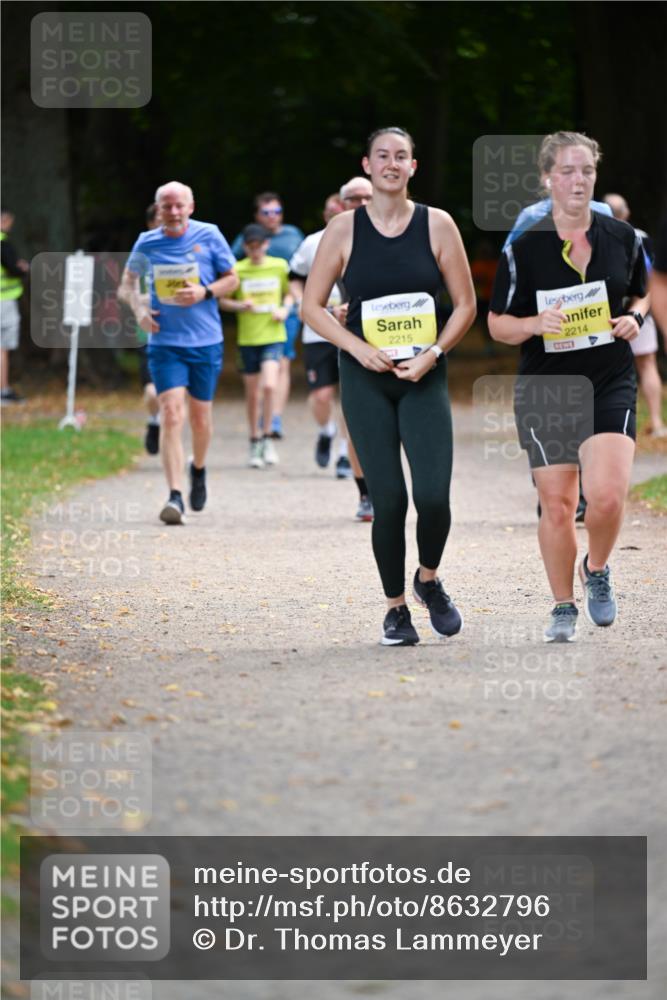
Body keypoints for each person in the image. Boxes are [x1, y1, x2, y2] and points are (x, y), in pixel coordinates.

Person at [303, 126, 476, 645]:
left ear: (413, 167)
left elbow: (466, 305)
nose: (392, 164)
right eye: (383, 156)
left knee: (434, 496)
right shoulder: (343, 228)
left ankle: (427, 579)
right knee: (390, 499)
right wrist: (357, 349)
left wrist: (434, 354)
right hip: (366, 377)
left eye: (402, 156)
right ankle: (395, 609)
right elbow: (311, 307)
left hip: (423, 375)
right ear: (368, 165)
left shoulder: (438, 225)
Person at [488, 132, 647, 643]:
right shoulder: (524, 248)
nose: (578, 181)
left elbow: (641, 295)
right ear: (547, 179)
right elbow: (496, 324)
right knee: (557, 502)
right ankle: (562, 605)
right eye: (567, 172)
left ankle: (596, 568)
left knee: (605, 498)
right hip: (547, 385)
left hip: (608, 378)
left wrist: (634, 319)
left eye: (586, 172)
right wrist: (535, 324)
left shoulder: (622, 237)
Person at [119, 181, 239, 524]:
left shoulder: (209, 235)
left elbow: (232, 278)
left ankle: (197, 468)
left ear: (191, 207)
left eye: (178, 206)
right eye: (166, 207)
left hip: (205, 342)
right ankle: (174, 496)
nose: (172, 212)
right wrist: (140, 310)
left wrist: (205, 292)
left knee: (200, 418)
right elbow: (126, 285)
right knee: (171, 413)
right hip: (165, 344)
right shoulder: (147, 242)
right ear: (158, 209)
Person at [289, 178, 374, 522]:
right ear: (340, 204)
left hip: (374, 338)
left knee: (358, 413)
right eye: (352, 199)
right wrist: (316, 308)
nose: (359, 203)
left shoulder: (394, 234)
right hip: (322, 333)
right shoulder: (316, 242)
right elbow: (295, 279)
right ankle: (328, 434)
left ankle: (358, 477)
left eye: (365, 197)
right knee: (323, 397)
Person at [219, 223, 293, 468]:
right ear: (245, 247)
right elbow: (222, 301)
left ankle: (268, 436)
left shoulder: (279, 266)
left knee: (270, 385)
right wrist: (241, 306)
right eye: (250, 247)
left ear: (266, 244)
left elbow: (290, 294)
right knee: (253, 394)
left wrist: (285, 309)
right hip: (248, 338)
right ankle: (254, 439)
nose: (255, 251)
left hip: (273, 334)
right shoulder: (237, 270)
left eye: (258, 246)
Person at [231, 193, 304, 438]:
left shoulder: (294, 234)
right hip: (255, 314)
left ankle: (274, 419)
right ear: (257, 216)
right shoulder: (246, 238)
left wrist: (295, 302)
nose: (272, 217)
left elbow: (306, 267)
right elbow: (230, 267)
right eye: (266, 212)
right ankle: (261, 418)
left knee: (282, 363)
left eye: (276, 211)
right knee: (260, 375)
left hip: (285, 308)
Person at [603, 192, 665, 437]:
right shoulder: (641, 237)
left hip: (606, 315)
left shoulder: (595, 236)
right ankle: (657, 422)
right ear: (626, 213)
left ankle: (612, 429)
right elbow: (653, 277)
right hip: (641, 311)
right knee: (647, 363)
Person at [136, 202, 161, 453]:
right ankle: (155, 421)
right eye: (158, 220)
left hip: (179, 331)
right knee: (153, 392)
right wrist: (141, 301)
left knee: (175, 396)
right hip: (147, 332)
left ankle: (172, 439)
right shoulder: (140, 253)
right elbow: (125, 289)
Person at [1, 210, 29, 405]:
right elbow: (13, 268)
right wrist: (22, 268)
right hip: (4, 301)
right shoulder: (3, 244)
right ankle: (3, 390)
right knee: (3, 347)